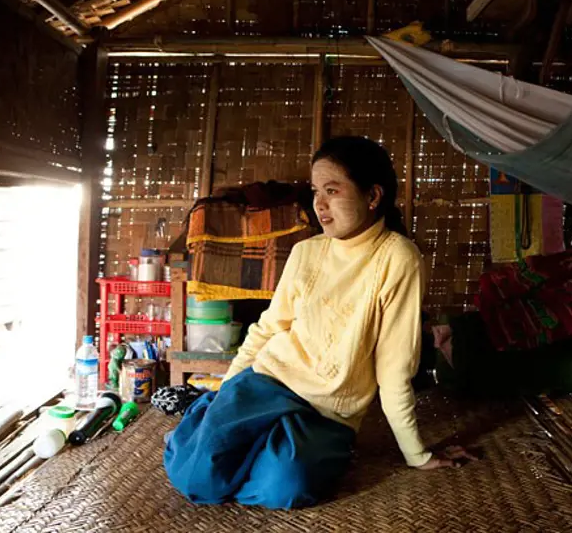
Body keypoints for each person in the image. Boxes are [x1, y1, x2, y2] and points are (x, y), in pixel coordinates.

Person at [164, 136, 475, 510]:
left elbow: (394, 366)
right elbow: (268, 328)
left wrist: (416, 453)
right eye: (315, 192)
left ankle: (261, 447)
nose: (319, 205)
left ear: (372, 196)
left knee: (288, 486)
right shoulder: (305, 252)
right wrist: (228, 395)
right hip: (267, 381)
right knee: (196, 477)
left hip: (328, 411)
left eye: (332, 190)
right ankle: (210, 414)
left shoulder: (398, 258)